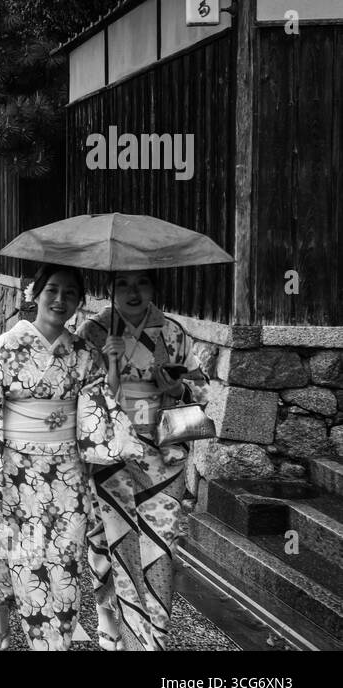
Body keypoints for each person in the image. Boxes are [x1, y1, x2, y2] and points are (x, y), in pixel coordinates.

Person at [0, 264, 140, 651]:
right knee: (20, 555)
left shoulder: (85, 353)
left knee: (65, 561)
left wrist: (114, 368)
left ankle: (53, 642)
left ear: (80, 302)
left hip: (68, 474)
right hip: (16, 473)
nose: (60, 300)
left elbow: (97, 410)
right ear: (34, 293)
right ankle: (2, 602)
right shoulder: (7, 345)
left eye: (70, 293)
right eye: (52, 290)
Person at [76, 270, 204, 651]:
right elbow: (80, 396)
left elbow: (201, 389)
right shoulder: (93, 332)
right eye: (122, 285)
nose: (133, 293)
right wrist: (109, 367)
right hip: (109, 452)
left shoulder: (174, 332)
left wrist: (178, 387)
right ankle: (109, 615)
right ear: (110, 290)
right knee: (108, 541)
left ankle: (153, 642)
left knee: (160, 547)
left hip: (162, 455)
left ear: (154, 289)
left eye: (142, 284)